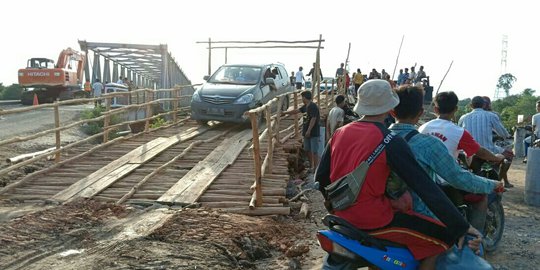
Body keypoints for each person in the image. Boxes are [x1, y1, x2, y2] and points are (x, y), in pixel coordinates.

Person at [316, 80, 480, 269]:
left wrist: (337, 206)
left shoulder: (339, 133)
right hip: (375, 219)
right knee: (443, 237)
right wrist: (461, 226)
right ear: (390, 107)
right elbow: (424, 186)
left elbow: (321, 178)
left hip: (341, 215)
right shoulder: (390, 140)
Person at [390, 87, 502, 233]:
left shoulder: (417, 129)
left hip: (392, 200)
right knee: (480, 198)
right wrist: (492, 182)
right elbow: (463, 171)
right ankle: (475, 238)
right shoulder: (445, 136)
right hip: (432, 196)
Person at [459, 96, 514, 188]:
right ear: (484, 104)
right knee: (509, 155)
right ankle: (498, 182)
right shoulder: (492, 115)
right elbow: (503, 133)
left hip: (469, 152)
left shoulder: (463, 118)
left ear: (470, 105)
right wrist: (506, 135)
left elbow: (460, 134)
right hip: (489, 150)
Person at [282, 90, 320, 171]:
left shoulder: (313, 106)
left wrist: (309, 130)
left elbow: (313, 119)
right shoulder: (305, 106)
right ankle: (311, 165)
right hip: (306, 131)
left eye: (302, 97)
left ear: (305, 98)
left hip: (313, 132)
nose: (302, 99)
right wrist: (285, 113)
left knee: (314, 151)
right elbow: (297, 111)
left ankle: (316, 168)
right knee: (307, 149)